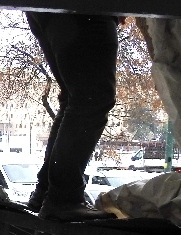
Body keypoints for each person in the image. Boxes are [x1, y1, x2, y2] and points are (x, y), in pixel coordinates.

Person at [24, 12, 119, 221]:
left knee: (75, 97)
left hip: (51, 11)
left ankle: (48, 192)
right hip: (86, 9)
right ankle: (62, 197)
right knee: (92, 97)